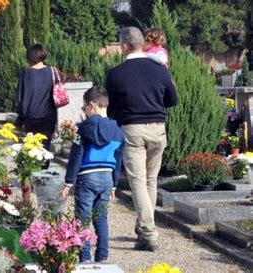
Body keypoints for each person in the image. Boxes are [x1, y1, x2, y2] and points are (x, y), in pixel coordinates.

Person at [105, 27, 178, 252]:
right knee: (150, 181)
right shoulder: (159, 69)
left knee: (138, 181)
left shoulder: (116, 73)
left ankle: (149, 233)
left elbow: (111, 109)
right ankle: (142, 226)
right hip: (158, 128)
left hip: (133, 129)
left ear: (125, 46)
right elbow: (172, 99)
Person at [60, 87, 124, 264]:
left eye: (84, 108)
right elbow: (118, 160)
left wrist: (68, 182)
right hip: (107, 177)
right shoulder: (118, 132)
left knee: (83, 219)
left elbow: (76, 156)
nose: (85, 112)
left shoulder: (83, 129)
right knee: (101, 219)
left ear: (92, 105)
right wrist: (114, 185)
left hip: (87, 176)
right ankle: (103, 257)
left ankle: (85, 258)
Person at [15, 44, 58, 167]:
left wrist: (20, 118)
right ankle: (44, 175)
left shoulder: (26, 74)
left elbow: (21, 97)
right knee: (45, 147)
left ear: (30, 56)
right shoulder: (52, 71)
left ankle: (33, 174)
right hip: (49, 116)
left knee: (32, 148)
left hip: (31, 117)